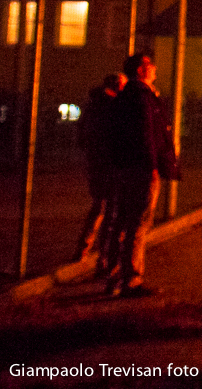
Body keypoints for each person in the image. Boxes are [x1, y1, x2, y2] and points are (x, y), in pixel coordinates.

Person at [103, 52, 179, 297]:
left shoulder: (128, 96)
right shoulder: (141, 97)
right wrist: (152, 165)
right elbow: (146, 132)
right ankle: (132, 278)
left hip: (126, 166)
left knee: (123, 220)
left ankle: (115, 275)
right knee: (138, 222)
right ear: (140, 70)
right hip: (141, 168)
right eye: (149, 64)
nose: (154, 67)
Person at [74, 72, 126, 269]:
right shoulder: (113, 106)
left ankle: (83, 249)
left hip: (96, 162)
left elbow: (82, 135)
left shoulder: (93, 104)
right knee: (110, 210)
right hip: (110, 163)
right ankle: (104, 257)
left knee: (99, 207)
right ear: (117, 86)